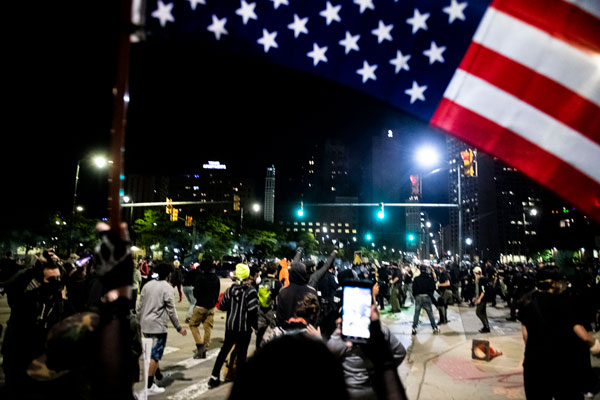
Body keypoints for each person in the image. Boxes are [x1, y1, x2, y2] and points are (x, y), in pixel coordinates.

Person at [517, 266, 600, 399]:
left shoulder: (525, 302)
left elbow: (525, 336)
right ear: (553, 283)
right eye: (562, 281)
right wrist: (595, 344)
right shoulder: (563, 301)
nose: (564, 285)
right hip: (562, 365)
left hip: (534, 365)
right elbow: (583, 335)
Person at [1, 252, 74, 394]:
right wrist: (34, 269)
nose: (56, 283)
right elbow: (14, 288)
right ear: (39, 281)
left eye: (58, 278)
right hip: (21, 361)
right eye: (51, 279)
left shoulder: (60, 304)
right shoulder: (26, 301)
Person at [328, 297, 407, 400]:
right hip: (376, 389)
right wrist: (383, 366)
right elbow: (400, 353)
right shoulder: (381, 332)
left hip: (350, 391)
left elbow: (327, 361)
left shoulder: (342, 335)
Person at [137, 262, 187, 395]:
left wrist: (137, 322)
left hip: (145, 325)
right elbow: (171, 311)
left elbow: (140, 306)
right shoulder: (168, 288)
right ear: (169, 274)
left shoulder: (147, 285)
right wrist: (178, 327)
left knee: (150, 354)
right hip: (157, 326)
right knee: (155, 356)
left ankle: (158, 376)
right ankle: (149, 386)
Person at [208, 263, 258, 389]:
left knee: (224, 350)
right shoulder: (251, 291)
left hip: (230, 326)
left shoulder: (231, 290)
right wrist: (256, 327)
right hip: (244, 328)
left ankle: (214, 376)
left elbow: (223, 305)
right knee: (241, 354)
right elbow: (253, 312)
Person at [189, 259, 220, 359]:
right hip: (211, 306)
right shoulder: (216, 278)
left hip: (200, 305)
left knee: (193, 324)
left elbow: (196, 292)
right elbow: (217, 293)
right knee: (208, 328)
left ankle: (200, 345)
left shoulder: (200, 277)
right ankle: (205, 348)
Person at [276, 260, 318, 326]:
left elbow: (279, 316)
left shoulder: (283, 292)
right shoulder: (312, 292)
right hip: (306, 330)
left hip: (287, 330)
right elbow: (315, 316)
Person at [256, 261, 282, 348]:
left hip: (261, 310)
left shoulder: (261, 281)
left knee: (259, 335)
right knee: (275, 334)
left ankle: (257, 352)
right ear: (276, 271)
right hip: (272, 311)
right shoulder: (278, 283)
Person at [411, 266, 440, 335]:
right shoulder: (429, 278)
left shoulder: (416, 279)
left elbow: (413, 289)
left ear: (420, 270)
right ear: (426, 270)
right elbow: (433, 287)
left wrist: (415, 295)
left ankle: (414, 328)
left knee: (417, 313)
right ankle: (434, 327)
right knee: (430, 312)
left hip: (418, 296)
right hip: (426, 296)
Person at [473, 266, 491, 333]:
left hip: (483, 298)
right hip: (483, 298)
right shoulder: (480, 279)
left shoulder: (481, 280)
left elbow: (483, 291)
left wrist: (479, 299)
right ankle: (486, 326)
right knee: (483, 312)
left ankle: (486, 327)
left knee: (478, 312)